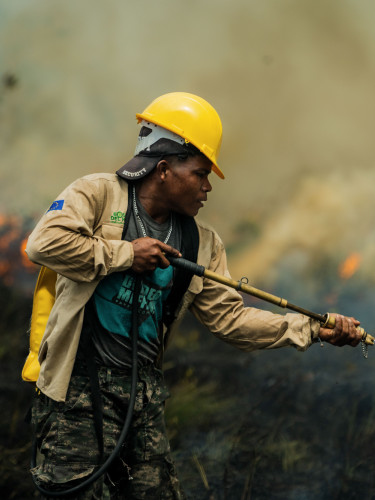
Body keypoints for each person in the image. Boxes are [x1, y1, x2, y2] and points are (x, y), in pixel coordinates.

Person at [26, 92, 362, 499]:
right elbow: (43, 244)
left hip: (142, 397)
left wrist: (310, 329)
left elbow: (230, 320)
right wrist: (126, 253)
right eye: (201, 174)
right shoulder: (98, 195)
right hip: (76, 390)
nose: (207, 187)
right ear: (164, 168)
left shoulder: (201, 242)